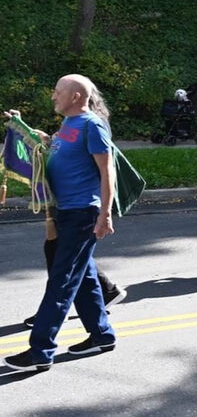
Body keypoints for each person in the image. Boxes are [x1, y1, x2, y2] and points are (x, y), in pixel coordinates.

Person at [4, 74, 117, 372]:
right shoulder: (69, 125)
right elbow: (56, 150)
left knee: (62, 280)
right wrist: (26, 130)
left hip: (83, 212)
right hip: (65, 211)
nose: (53, 97)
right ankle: (101, 335)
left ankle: (40, 350)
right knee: (85, 277)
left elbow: (108, 172)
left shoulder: (91, 125)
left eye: (57, 92)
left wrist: (105, 214)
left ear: (76, 97)